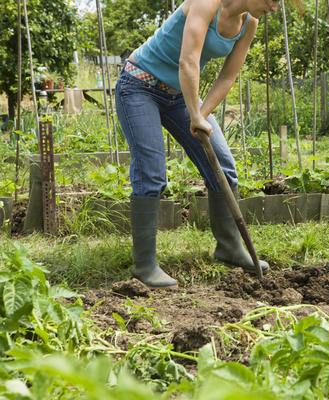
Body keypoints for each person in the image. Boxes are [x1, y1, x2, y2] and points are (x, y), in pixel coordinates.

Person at [115, 0, 295, 289]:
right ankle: (145, 264)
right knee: (151, 173)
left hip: (180, 93)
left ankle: (230, 248)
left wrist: (201, 115)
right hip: (139, 85)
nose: (274, 7)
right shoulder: (206, 2)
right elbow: (188, 60)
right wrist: (194, 112)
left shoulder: (249, 23)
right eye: (271, 0)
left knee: (223, 165)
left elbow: (227, 76)